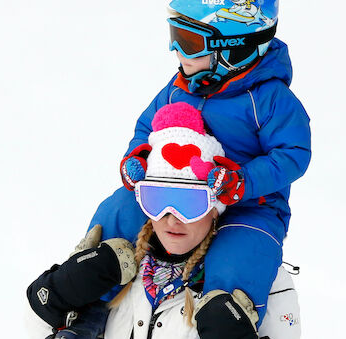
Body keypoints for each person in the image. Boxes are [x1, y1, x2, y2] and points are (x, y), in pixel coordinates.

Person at [85, 0, 311, 336]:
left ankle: (225, 322)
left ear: (233, 47)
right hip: (174, 194)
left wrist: (243, 182)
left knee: (239, 256)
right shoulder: (179, 87)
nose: (178, 51)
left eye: (189, 41)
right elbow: (147, 129)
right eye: (175, 36)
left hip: (248, 206)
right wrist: (140, 158)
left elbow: (293, 153)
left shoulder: (269, 100)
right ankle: (86, 306)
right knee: (119, 209)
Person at [26, 103, 301, 339]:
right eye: (158, 200)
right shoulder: (117, 270)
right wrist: (59, 291)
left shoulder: (261, 279)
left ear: (215, 208)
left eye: (190, 203)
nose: (172, 218)